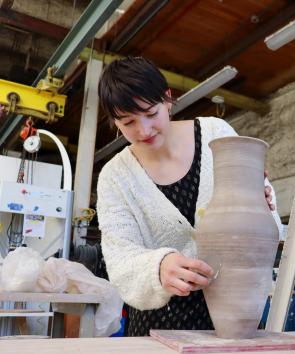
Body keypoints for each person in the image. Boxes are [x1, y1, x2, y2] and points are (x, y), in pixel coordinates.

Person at [96, 57, 283, 336]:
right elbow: (120, 260)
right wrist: (158, 268)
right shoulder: (115, 177)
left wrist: (263, 208)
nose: (143, 130)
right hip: (157, 328)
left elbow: (267, 223)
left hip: (237, 318)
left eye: (150, 113)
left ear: (168, 99)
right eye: (128, 122)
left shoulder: (215, 135)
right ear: (115, 122)